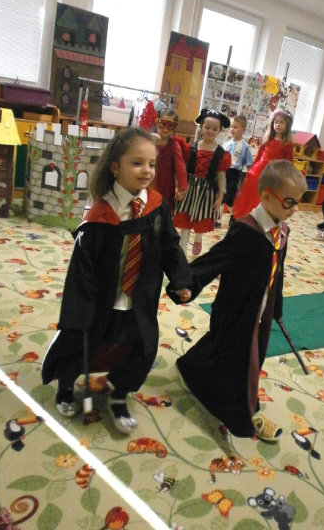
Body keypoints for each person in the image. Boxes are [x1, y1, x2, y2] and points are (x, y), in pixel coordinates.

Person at [41, 128, 192, 434]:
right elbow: (81, 270)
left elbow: (170, 245)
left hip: (140, 296)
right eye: (137, 163)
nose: (147, 170)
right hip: (99, 299)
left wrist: (180, 279)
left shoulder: (156, 205)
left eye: (151, 164)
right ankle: (66, 387)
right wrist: (80, 310)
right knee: (83, 345)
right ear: (115, 167)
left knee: (141, 349)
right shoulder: (100, 216)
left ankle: (119, 393)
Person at [169, 160, 307, 441]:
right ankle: (245, 415)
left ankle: (191, 368)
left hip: (260, 309)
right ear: (267, 197)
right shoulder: (246, 232)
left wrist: (276, 306)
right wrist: (187, 282)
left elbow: (277, 271)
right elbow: (215, 260)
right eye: (289, 202)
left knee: (224, 348)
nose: (295, 209)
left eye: (298, 202)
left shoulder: (282, 231)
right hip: (236, 311)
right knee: (245, 363)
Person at [173, 108, 231, 256]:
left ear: (219, 131)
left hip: (207, 192)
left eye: (215, 129)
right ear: (201, 127)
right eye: (207, 127)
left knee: (201, 216)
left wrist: (220, 196)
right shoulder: (192, 147)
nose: (210, 131)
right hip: (190, 189)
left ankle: (198, 238)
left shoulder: (221, 154)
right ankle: (182, 252)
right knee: (186, 219)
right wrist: (179, 186)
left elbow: (221, 175)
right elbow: (183, 168)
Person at [232, 108, 295, 219]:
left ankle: (259, 218)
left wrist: (286, 178)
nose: (278, 125)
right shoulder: (268, 138)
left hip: (273, 174)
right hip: (258, 171)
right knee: (252, 194)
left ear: (287, 125)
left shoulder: (287, 143)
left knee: (264, 197)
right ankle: (246, 216)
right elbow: (259, 156)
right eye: (276, 122)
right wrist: (251, 169)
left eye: (281, 122)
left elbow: (288, 163)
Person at [152, 108, 189, 213]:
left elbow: (180, 166)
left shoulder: (174, 145)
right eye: (163, 124)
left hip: (166, 182)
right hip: (149, 178)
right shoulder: (149, 140)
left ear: (174, 128)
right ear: (157, 122)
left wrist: (183, 186)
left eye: (170, 126)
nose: (165, 129)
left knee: (164, 208)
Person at [222, 115, 254, 225]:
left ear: (243, 129)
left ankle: (234, 216)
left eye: (235, 127)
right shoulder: (226, 144)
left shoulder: (245, 146)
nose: (232, 129)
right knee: (221, 195)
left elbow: (249, 164)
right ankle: (217, 219)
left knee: (230, 196)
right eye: (231, 127)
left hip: (235, 173)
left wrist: (249, 179)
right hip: (223, 172)